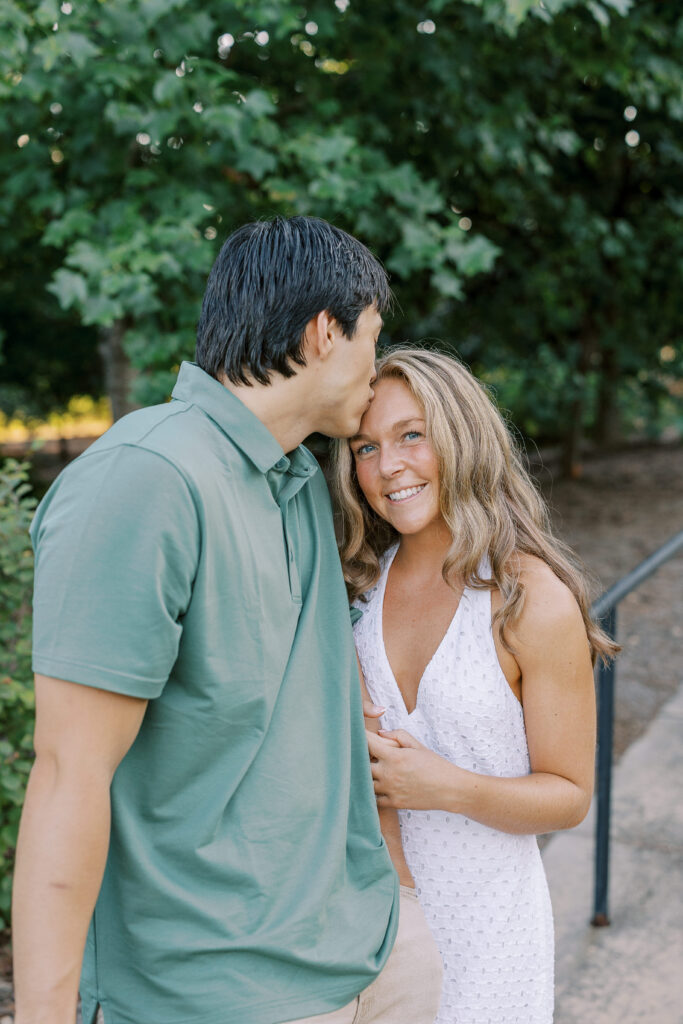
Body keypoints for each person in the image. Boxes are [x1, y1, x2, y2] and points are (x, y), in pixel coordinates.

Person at [12, 219, 443, 1024]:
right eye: (371, 337)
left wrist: (395, 896)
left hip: (366, 951)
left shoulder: (296, 475)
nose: (376, 365)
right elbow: (69, 775)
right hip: (214, 991)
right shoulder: (145, 480)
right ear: (325, 333)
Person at [330, 347, 618, 1024]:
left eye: (411, 435)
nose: (387, 466)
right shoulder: (355, 587)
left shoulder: (528, 598)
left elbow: (570, 796)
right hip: (370, 934)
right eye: (366, 447)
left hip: (489, 934)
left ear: (461, 436)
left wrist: (445, 787)